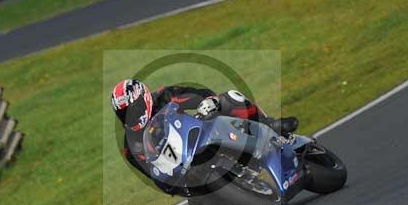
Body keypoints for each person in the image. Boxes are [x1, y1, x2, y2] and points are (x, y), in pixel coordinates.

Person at [111, 79, 298, 196]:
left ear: (144, 98)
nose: (130, 115)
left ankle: (269, 124)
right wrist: (175, 187)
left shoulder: (164, 95)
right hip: (185, 172)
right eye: (124, 113)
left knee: (230, 97)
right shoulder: (131, 145)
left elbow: (196, 94)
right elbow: (152, 174)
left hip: (202, 131)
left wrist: (209, 101)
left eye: (132, 109)